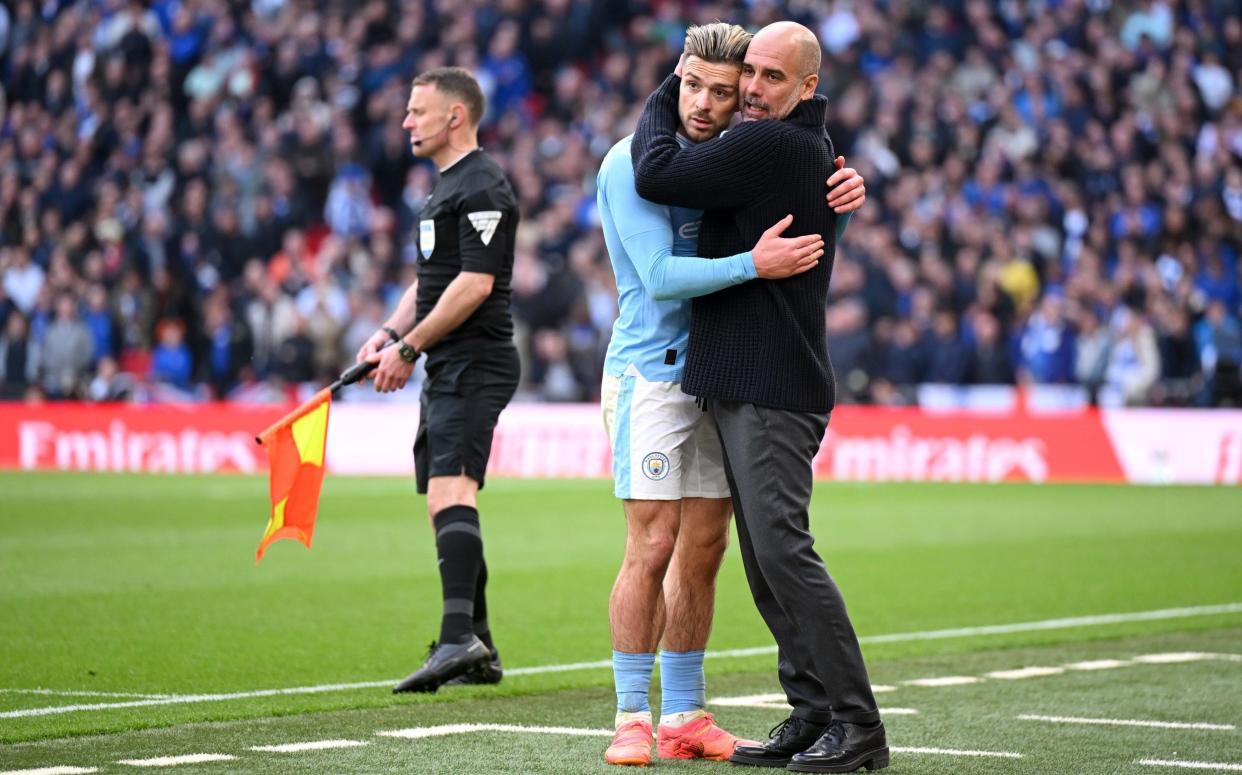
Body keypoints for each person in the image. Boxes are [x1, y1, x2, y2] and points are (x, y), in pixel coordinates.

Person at [597, 21, 867, 767]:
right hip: (653, 370)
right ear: (676, 78)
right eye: (701, 83)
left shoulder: (735, 151)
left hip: (722, 377)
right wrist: (753, 262)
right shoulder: (632, 162)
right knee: (652, 544)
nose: (721, 98)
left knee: (711, 550)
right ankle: (630, 713)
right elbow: (656, 277)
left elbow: (796, 148)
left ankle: (684, 711)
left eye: (733, 86)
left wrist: (836, 176)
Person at [356, 67, 520, 693]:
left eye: (417, 111)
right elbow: (429, 282)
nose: (405, 122)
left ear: (455, 116)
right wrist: (386, 332)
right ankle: (479, 646)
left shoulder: (483, 185)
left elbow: (474, 285)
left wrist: (408, 347)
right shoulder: (447, 187)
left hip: (474, 361)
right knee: (443, 498)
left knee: (451, 493)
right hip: (451, 363)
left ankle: (457, 638)